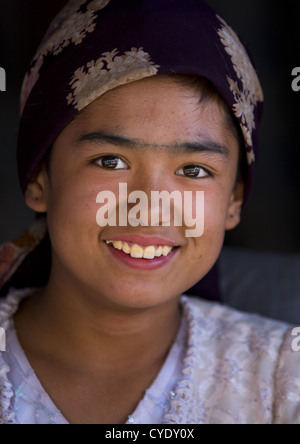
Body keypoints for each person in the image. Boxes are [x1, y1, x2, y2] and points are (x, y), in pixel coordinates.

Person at [0, 0, 299, 425]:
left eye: (194, 170)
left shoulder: (283, 377)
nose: (150, 206)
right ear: (38, 179)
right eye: (110, 161)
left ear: (233, 201)